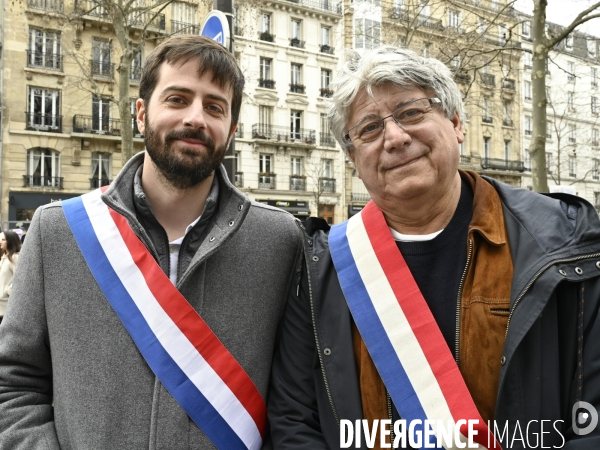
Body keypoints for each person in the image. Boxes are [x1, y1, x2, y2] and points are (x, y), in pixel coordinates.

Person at [268, 46, 600, 449]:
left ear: (456, 122)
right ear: (354, 158)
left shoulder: (564, 242)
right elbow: (294, 419)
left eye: (410, 113)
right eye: (369, 128)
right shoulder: (320, 266)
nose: (394, 137)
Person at [0, 35, 302, 449]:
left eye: (214, 107)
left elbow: (294, 399)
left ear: (230, 131)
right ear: (141, 114)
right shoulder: (57, 232)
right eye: (177, 99)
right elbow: (14, 383)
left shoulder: (279, 240)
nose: (195, 118)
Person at [0, 230, 21, 323]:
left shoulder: (15, 257)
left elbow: (19, 279)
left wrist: (8, 291)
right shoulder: (5, 257)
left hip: (6, 307)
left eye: (3, 239)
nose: (0, 241)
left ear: (10, 241)